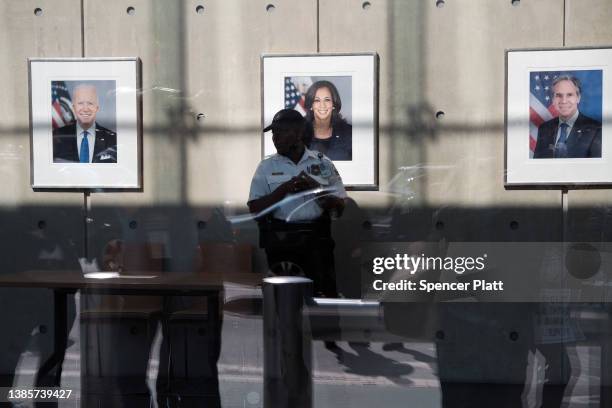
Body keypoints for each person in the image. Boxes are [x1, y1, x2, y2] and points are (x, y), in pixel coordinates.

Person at [248, 107, 346, 302]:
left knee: (324, 301)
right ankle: (286, 334)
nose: (275, 138)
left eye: (281, 132)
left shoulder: (323, 163)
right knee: (284, 304)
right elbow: (255, 209)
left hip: (317, 242)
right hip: (282, 243)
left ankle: (324, 334)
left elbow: (340, 207)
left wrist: (315, 188)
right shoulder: (266, 167)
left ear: (299, 132)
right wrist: (284, 189)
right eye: (274, 133)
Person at [533, 75, 601, 159]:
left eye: (569, 95)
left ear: (578, 98)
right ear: (553, 99)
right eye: (558, 95)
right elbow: (537, 165)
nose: (564, 101)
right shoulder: (544, 128)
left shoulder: (596, 129)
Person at [52, 84, 117, 163]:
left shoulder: (113, 140)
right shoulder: (56, 137)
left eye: (90, 103)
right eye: (80, 103)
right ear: (73, 107)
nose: (85, 109)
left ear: (97, 108)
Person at [303, 80, 353, 161]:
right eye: (317, 100)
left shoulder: (349, 133)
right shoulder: (297, 134)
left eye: (327, 100)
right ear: (311, 105)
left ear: (334, 104)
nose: (322, 105)